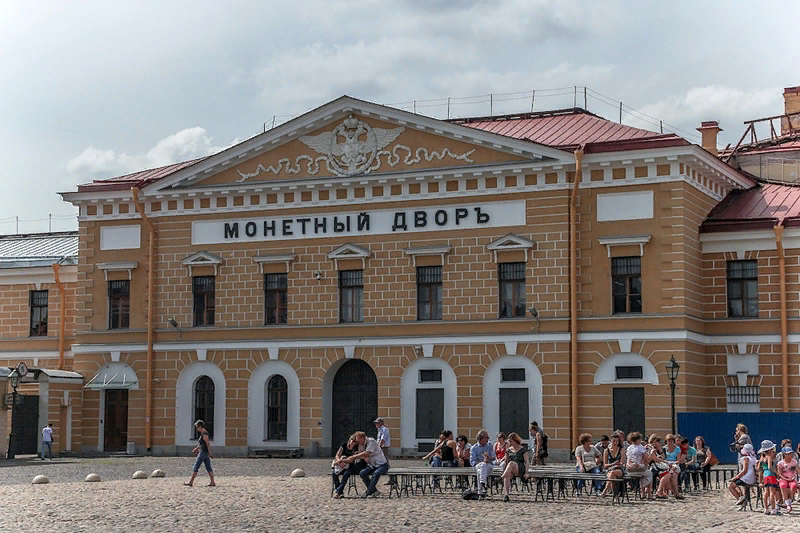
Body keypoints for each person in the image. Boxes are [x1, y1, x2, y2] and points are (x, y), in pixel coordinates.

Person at [344, 431, 388, 498]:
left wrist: (354, 457)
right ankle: (374, 491)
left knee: (376, 473)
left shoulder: (371, 441)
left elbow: (367, 453)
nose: (358, 442)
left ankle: (368, 492)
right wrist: (354, 456)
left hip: (381, 464)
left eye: (359, 440)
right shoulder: (361, 445)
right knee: (362, 473)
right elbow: (362, 456)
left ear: (363, 438)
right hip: (372, 465)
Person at [185, 420, 215, 487]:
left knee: (196, 466)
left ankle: (191, 482)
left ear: (200, 426)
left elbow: (207, 443)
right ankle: (212, 482)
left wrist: (210, 452)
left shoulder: (204, 433)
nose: (196, 429)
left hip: (203, 452)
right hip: (204, 452)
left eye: (197, 427)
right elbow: (201, 443)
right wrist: (196, 448)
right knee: (208, 467)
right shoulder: (203, 433)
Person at [626, 432, 656, 499]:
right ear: (637, 440)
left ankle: (642, 493)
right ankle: (649, 494)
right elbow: (647, 460)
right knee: (649, 473)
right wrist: (651, 453)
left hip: (629, 470)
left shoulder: (629, 448)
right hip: (638, 469)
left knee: (644, 474)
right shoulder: (640, 447)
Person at [500, 432, 528, 502]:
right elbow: (506, 461)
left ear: (515, 441)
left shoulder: (522, 450)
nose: (509, 442)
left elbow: (527, 462)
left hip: (519, 468)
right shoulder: (508, 450)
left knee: (511, 463)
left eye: (511, 441)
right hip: (510, 469)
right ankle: (506, 495)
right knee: (507, 474)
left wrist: (526, 472)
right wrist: (504, 469)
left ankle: (501, 477)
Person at [655, 434, 684, 500]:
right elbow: (662, 458)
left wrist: (673, 463)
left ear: (673, 441)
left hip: (674, 463)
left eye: (671, 441)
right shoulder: (664, 448)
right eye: (668, 441)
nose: (670, 442)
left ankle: (669, 492)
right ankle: (675, 493)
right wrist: (667, 463)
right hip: (666, 463)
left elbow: (678, 460)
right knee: (672, 474)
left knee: (673, 470)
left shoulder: (677, 449)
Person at [470, 430, 496, 495]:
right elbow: (472, 461)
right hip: (478, 465)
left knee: (480, 472)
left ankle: (481, 489)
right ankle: (483, 486)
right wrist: (481, 462)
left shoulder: (489, 446)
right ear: (481, 438)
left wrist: (488, 458)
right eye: (486, 437)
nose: (488, 439)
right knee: (482, 465)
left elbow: (494, 457)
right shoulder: (474, 448)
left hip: (488, 465)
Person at [758, 440, 780, 515]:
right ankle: (773, 509)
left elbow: (758, 468)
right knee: (772, 493)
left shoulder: (762, 458)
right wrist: (777, 473)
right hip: (771, 475)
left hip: (765, 475)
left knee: (765, 492)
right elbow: (770, 467)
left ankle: (766, 509)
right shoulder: (769, 457)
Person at [777, 446, 797, 512]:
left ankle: (789, 502)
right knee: (782, 485)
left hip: (792, 479)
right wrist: (786, 478)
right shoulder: (780, 463)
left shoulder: (794, 462)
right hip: (784, 479)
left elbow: (799, 471)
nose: (789, 455)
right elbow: (780, 473)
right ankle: (787, 502)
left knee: (793, 486)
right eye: (788, 454)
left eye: (790, 453)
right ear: (784, 454)